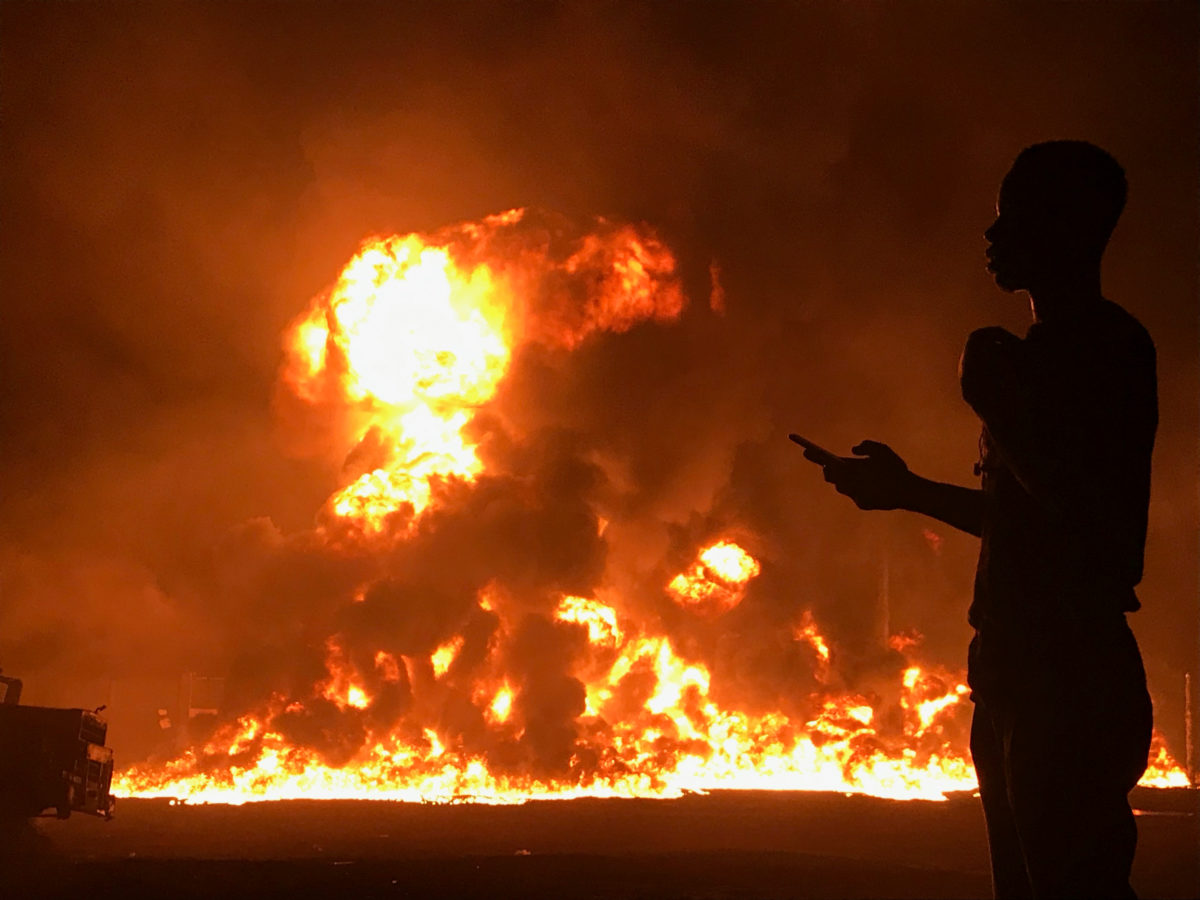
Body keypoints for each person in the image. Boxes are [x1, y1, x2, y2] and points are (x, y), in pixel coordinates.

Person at [799, 141, 1156, 899]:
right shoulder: (1027, 359)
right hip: (1010, 671)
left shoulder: (1107, 350)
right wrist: (908, 492)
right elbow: (1023, 519)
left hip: (1070, 674)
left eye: (1013, 217)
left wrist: (1001, 403)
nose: (992, 236)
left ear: (1067, 228)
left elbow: (1105, 538)